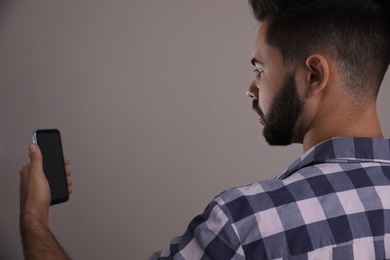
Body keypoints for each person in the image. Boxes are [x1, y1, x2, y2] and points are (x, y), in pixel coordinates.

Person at [19, 0, 390, 259]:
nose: (251, 87)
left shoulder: (248, 223)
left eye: (260, 68)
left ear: (313, 75)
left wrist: (33, 217)